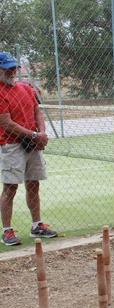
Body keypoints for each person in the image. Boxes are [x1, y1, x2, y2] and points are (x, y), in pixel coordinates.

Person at [0, 51, 57, 246]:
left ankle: (37, 226)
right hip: (11, 145)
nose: (12, 71)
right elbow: (7, 123)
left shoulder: (26, 88)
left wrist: (41, 133)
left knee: (34, 184)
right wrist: (35, 135)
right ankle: (7, 231)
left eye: (14, 67)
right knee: (10, 187)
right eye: (8, 68)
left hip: (32, 144)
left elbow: (37, 112)